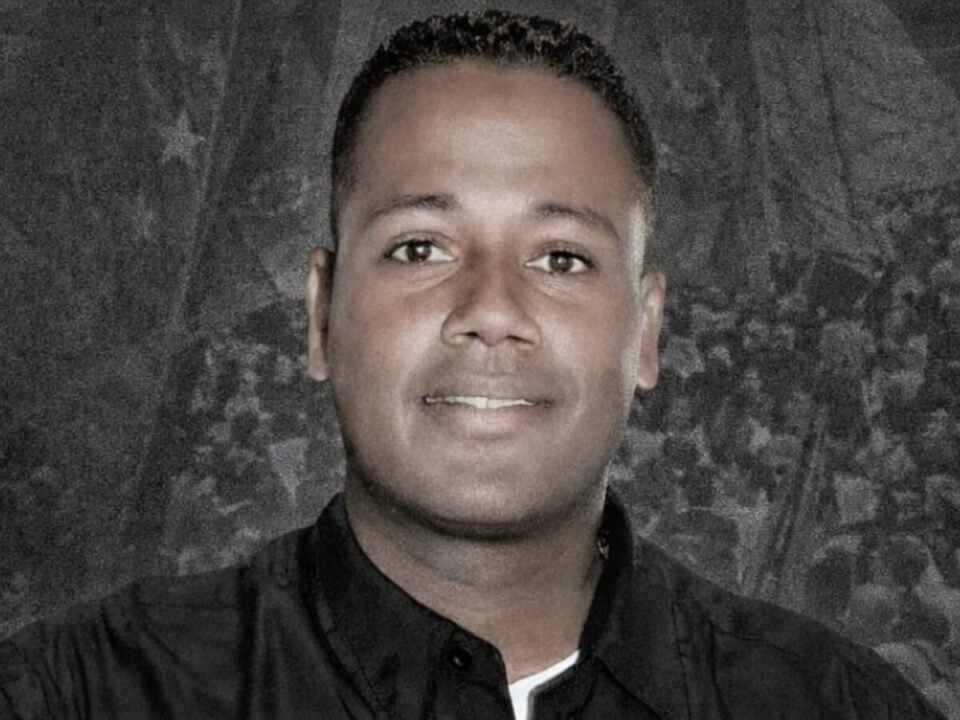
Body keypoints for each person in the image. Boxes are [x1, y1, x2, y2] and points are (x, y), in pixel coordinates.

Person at [0, 9, 947, 720]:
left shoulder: (835, 704)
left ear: (647, 332)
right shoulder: (80, 693)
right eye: (420, 248)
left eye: (561, 259)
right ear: (321, 314)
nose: (491, 310)